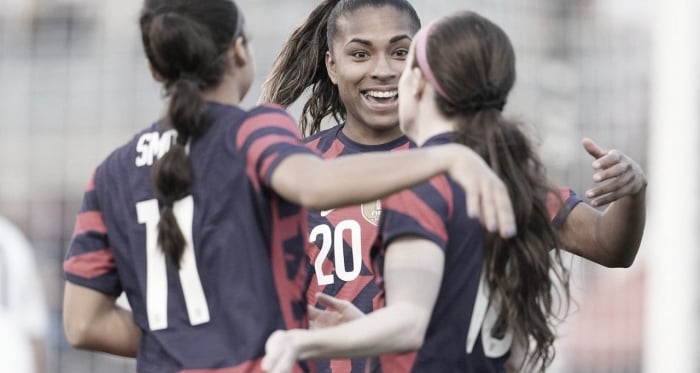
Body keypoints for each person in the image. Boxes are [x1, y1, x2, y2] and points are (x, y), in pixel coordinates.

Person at [61, 1, 516, 372]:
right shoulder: (255, 132)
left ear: (155, 69)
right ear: (239, 51)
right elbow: (313, 183)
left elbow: (82, 325)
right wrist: (446, 155)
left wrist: (183, 339)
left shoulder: (110, 172)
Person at [260, 0, 646, 371]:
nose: (382, 70)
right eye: (360, 54)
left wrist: (633, 192)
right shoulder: (300, 172)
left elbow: (610, 245)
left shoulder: (487, 170)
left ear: (420, 73)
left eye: (400, 53)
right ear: (332, 64)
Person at [0, 216, 48, 373]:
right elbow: (35, 325)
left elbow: (35, 322)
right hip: (17, 357)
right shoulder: (13, 237)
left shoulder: (12, 239)